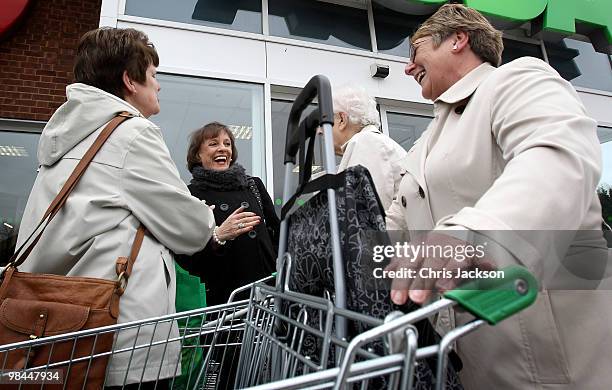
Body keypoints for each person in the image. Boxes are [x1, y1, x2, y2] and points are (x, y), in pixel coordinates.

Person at [385, 4, 611, 389]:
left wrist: (468, 234)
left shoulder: (516, 79)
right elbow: (398, 221)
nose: (407, 68)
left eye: (416, 51)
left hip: (550, 358)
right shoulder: (425, 140)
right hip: (467, 358)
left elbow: (557, 158)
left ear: (458, 39)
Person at [14, 28, 216, 388]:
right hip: (118, 341)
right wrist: (199, 212)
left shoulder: (66, 136)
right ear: (129, 80)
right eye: (153, 76)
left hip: (59, 331)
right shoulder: (131, 134)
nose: (159, 86)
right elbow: (193, 229)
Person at [177, 122, 279, 306]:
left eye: (227, 143)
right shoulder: (190, 195)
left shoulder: (254, 186)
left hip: (266, 295)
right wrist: (218, 235)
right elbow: (185, 256)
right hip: (222, 301)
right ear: (198, 155)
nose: (222, 148)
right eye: (213, 144)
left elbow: (277, 234)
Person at [325, 85, 407, 211]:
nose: (320, 131)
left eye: (324, 123)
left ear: (342, 120)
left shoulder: (366, 143)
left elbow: (366, 215)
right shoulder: (371, 142)